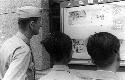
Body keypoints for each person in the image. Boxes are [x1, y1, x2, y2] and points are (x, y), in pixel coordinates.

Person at [0, 6, 42, 80]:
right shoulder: (22, 50)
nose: (41, 25)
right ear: (32, 24)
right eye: (39, 21)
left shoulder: (8, 43)